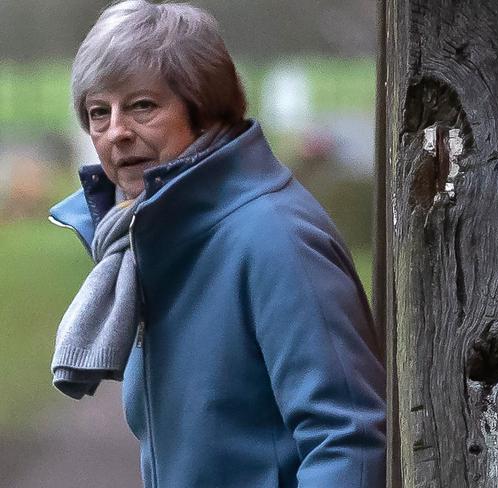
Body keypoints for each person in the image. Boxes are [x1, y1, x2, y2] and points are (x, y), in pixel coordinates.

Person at [48, 1, 386, 487]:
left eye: (142, 105)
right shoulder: (153, 239)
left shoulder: (276, 237)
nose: (117, 132)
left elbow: (348, 441)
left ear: (204, 108)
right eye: (99, 113)